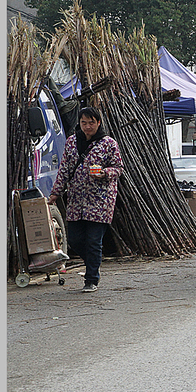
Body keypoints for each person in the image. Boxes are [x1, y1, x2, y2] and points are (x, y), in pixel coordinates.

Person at [47, 106, 123, 293]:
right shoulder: (72, 141)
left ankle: (91, 280)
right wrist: (56, 192)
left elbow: (118, 168)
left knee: (93, 240)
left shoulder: (108, 143)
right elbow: (64, 168)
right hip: (76, 199)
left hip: (100, 200)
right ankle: (93, 262)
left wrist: (104, 173)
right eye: (84, 123)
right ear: (79, 124)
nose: (87, 126)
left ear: (98, 123)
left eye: (91, 122)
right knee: (75, 239)